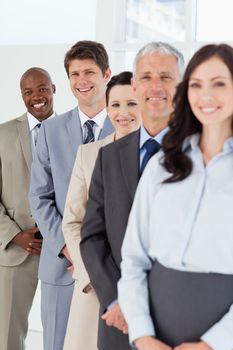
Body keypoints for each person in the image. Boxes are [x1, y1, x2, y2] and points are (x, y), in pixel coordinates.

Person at [118, 43, 233, 350]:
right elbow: (133, 258)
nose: (205, 95)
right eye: (196, 85)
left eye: (219, 84)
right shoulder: (163, 163)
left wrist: (213, 345)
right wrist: (142, 336)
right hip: (153, 336)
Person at [80, 42, 184, 350]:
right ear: (135, 86)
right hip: (118, 319)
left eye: (166, 77)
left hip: (179, 319)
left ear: (180, 87)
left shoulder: (203, 154)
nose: (156, 86)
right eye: (147, 77)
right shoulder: (108, 157)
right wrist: (120, 299)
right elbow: (92, 236)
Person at [28, 41, 114, 350]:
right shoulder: (50, 131)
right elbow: (39, 196)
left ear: (107, 74)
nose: (82, 81)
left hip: (109, 266)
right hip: (61, 266)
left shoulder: (126, 127)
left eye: (89, 72)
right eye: (75, 73)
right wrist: (67, 247)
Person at [62, 71, 141, 350]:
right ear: (107, 110)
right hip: (95, 284)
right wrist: (93, 272)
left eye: (132, 104)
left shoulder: (160, 156)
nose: (124, 113)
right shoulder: (89, 154)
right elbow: (72, 222)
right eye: (116, 105)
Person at [0, 67, 56, 350]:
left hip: (61, 251)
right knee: (8, 336)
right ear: (21, 96)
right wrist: (15, 235)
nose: (36, 97)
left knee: (63, 331)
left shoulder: (72, 131)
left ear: (54, 89)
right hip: (16, 251)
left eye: (43, 88)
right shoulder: (3, 134)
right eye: (28, 91)